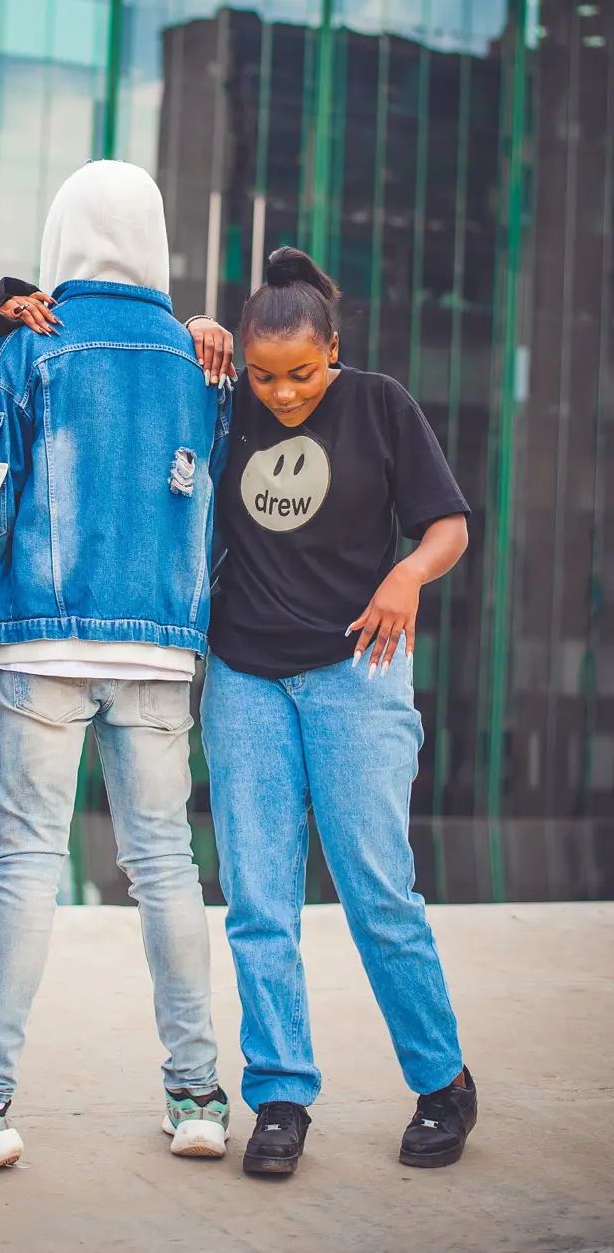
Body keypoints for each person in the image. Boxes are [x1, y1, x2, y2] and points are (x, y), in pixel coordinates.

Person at [0, 160, 233, 1169]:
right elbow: (208, 495)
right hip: (160, 649)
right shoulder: (195, 358)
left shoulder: (31, 341)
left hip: (42, 638)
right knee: (166, 863)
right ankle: (198, 1095)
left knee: (28, 862)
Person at [201, 246, 477, 1177]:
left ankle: (442, 1083)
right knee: (258, 901)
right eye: (264, 375)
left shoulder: (380, 405)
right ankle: (280, 1098)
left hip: (357, 671)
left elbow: (449, 526)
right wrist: (195, 331)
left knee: (377, 891)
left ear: (334, 353)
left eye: (302, 375)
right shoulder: (228, 400)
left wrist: (407, 574)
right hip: (245, 678)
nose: (282, 394)